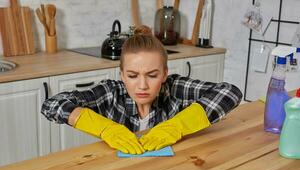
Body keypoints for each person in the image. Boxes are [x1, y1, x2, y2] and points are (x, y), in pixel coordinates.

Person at [41, 25, 243, 155]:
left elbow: (230, 92)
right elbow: (52, 104)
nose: (142, 85)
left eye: (152, 75)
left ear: (164, 74)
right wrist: (104, 127)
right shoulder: (111, 92)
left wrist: (178, 126)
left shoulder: (173, 87)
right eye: (132, 75)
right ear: (121, 75)